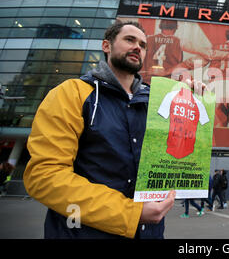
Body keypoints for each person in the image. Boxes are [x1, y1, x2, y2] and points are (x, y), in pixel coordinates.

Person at [23, 21, 196, 239]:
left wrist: (190, 102)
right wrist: (131, 213)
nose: (138, 48)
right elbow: (45, 176)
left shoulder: (157, 103)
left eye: (143, 45)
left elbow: (177, 156)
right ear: (106, 46)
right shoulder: (71, 93)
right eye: (129, 40)